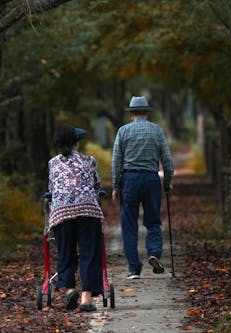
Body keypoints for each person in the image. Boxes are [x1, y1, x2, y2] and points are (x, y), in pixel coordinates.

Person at [111, 96, 174, 279]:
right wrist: (167, 181)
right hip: (151, 179)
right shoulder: (156, 131)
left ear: (131, 114)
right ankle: (154, 252)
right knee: (153, 220)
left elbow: (116, 161)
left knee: (129, 224)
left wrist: (115, 186)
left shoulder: (123, 132)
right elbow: (167, 161)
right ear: (147, 112)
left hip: (129, 179)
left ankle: (133, 268)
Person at [47, 125, 104, 312]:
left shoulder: (52, 163)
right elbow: (96, 184)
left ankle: (70, 288)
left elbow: (53, 188)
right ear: (76, 143)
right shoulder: (89, 160)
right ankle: (87, 298)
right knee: (89, 252)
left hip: (62, 213)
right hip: (88, 211)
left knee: (65, 252)